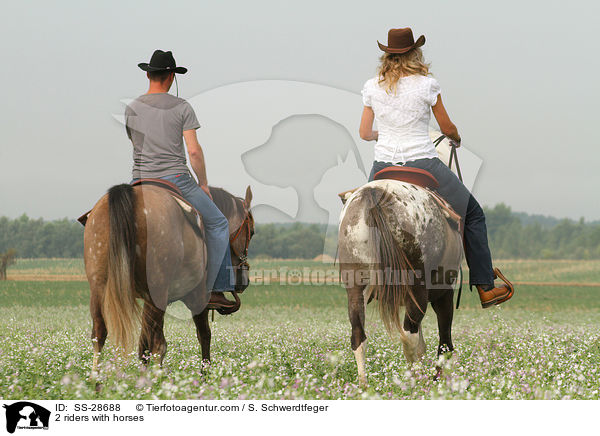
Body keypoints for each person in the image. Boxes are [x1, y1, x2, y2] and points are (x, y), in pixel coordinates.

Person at [359, 28, 514, 308]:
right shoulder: (427, 84)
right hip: (422, 163)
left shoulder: (372, 87)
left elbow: (364, 132)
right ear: (414, 53)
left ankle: (370, 280)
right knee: (474, 215)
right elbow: (446, 127)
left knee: (364, 218)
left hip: (383, 167)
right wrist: (455, 137)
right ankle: (485, 287)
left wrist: (384, 134)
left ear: (387, 55)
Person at [125, 49, 236, 310]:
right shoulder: (182, 107)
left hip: (139, 181)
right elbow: (194, 151)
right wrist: (204, 183)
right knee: (218, 223)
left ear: (148, 74)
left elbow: (136, 144)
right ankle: (215, 289)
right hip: (175, 179)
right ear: (171, 77)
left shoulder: (131, 108)